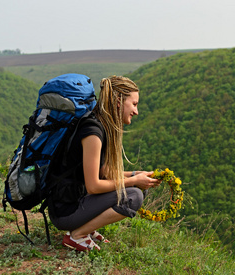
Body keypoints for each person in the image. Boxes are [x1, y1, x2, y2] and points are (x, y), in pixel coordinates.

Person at [47, 75, 160, 252]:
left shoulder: (99, 124)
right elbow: (94, 186)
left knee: (137, 191)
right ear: (118, 101)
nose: (136, 111)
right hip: (65, 212)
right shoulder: (93, 132)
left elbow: (104, 171)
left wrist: (135, 175)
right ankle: (77, 235)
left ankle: (87, 229)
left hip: (73, 202)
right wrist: (133, 181)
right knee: (134, 196)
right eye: (134, 104)